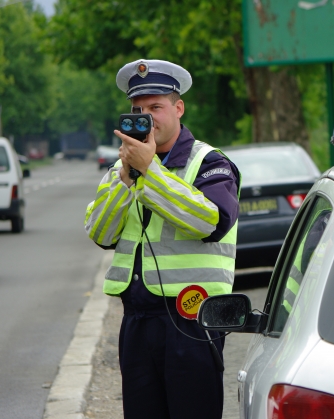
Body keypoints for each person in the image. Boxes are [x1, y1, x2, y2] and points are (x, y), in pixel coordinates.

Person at [84, 59, 240, 419]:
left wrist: (151, 171)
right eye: (139, 110)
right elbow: (100, 232)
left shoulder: (209, 162)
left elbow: (210, 221)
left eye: (156, 108)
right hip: (137, 320)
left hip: (191, 320)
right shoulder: (123, 167)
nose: (148, 118)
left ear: (178, 108)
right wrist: (127, 179)